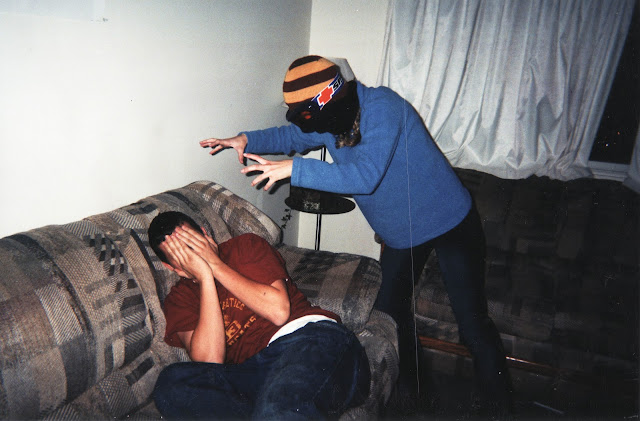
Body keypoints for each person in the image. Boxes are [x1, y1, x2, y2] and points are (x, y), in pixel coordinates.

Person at [199, 55, 512, 415]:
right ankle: (420, 400)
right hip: (403, 234)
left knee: (471, 321)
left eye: (310, 115)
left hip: (450, 219)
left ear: (332, 97)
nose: (313, 127)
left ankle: (500, 407)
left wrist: (295, 168)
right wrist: (245, 138)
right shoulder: (330, 118)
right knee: (391, 317)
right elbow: (291, 136)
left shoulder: (383, 107)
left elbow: (366, 175)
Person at [149, 211, 370, 420]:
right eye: (183, 255)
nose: (194, 255)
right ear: (172, 267)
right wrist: (206, 277)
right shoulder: (179, 299)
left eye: (194, 244)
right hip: (251, 374)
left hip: (308, 341)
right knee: (171, 383)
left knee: (280, 404)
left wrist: (215, 266)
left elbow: (278, 312)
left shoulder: (245, 246)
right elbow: (210, 362)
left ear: (205, 235)